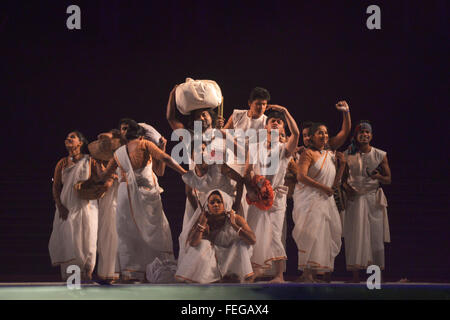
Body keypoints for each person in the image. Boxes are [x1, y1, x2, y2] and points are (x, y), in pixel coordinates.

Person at [100, 120, 187, 282]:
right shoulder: (143, 144)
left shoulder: (118, 153)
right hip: (144, 194)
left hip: (126, 195)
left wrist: (101, 168)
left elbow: (103, 177)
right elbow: (166, 159)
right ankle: (156, 269)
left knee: (128, 233)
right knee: (155, 230)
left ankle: (131, 273)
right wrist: (184, 172)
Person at [245, 105, 300, 283]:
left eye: (279, 122)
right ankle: (254, 271)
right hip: (256, 195)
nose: (276, 123)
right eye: (272, 121)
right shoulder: (255, 147)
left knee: (275, 233)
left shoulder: (284, 149)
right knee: (254, 231)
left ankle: (279, 275)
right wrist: (252, 190)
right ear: (266, 127)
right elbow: (248, 172)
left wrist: (285, 111)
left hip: (276, 197)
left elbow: (297, 134)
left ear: (283, 128)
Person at [292, 123, 343, 283]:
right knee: (310, 235)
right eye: (320, 133)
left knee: (325, 235)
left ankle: (321, 273)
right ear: (313, 137)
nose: (324, 136)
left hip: (325, 201)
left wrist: (343, 166)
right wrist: (322, 188)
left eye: (326, 133)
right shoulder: (308, 153)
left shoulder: (329, 154)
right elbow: (301, 177)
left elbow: (334, 185)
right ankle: (307, 274)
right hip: (310, 200)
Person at [49, 131, 102, 282]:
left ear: (80, 143)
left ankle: (87, 273)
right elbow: (56, 187)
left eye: (72, 137)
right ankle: (72, 277)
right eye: (67, 137)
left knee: (88, 237)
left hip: (87, 206)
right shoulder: (62, 163)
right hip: (67, 206)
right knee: (69, 239)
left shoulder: (90, 161)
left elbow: (101, 179)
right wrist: (59, 206)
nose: (68, 139)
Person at [342, 121, 391, 283]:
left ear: (371, 135)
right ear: (356, 136)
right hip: (354, 200)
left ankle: (375, 278)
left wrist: (378, 177)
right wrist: (347, 188)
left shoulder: (380, 154)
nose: (364, 135)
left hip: (372, 200)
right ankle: (355, 277)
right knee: (354, 235)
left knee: (375, 237)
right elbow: (341, 179)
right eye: (361, 132)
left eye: (367, 132)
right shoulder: (348, 154)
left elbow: (388, 179)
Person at [175, 189, 256, 283]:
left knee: (242, 244)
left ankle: (243, 277)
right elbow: (193, 243)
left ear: (225, 203)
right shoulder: (204, 219)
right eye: (212, 202)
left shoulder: (236, 218)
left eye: (219, 202)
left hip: (232, 255)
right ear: (208, 206)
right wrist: (201, 224)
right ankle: (209, 278)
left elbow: (252, 240)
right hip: (214, 258)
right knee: (203, 244)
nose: (215, 205)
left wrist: (234, 225)